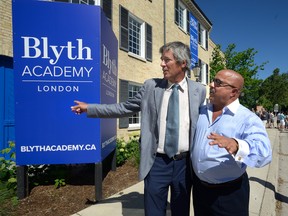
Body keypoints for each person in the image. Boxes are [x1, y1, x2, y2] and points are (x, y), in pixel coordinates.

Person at [71, 41, 206, 216]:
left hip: (184, 165)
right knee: (153, 211)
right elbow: (123, 108)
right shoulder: (151, 87)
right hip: (157, 162)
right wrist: (90, 108)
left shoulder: (198, 91)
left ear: (183, 63)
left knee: (181, 210)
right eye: (161, 60)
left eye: (167, 60)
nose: (161, 64)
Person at [191, 69, 272, 216]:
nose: (211, 84)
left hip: (228, 194)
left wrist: (237, 146)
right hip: (199, 190)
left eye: (218, 82)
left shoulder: (247, 118)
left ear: (233, 92)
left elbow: (264, 154)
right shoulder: (202, 110)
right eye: (213, 80)